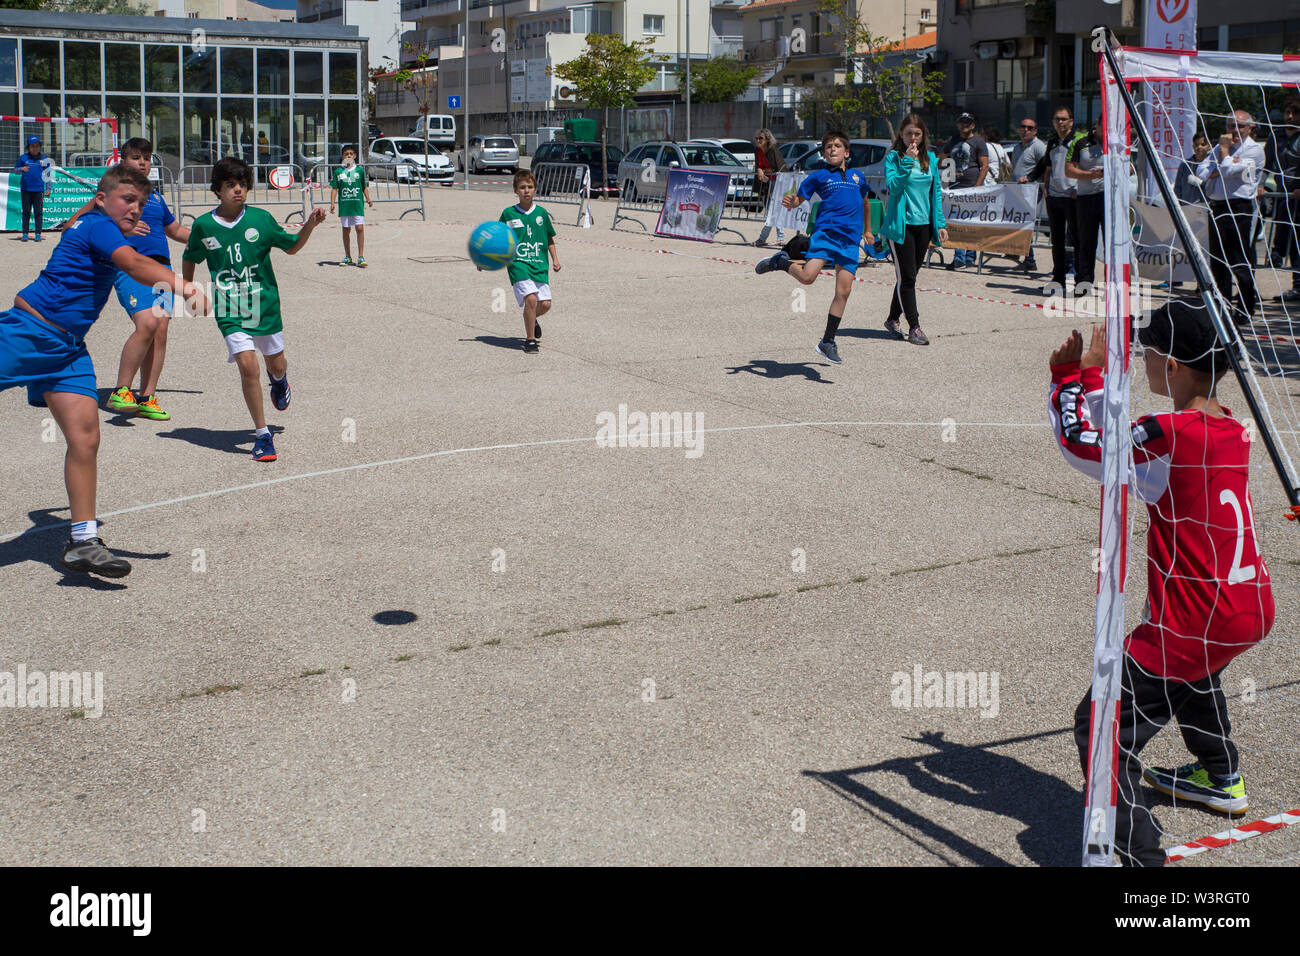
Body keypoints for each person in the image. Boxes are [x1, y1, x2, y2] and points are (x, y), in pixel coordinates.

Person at [1050, 303, 1274, 865]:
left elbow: (1086, 446)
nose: (1142, 359)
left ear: (1171, 365)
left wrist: (1071, 379)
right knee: (1194, 670)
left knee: (1100, 726)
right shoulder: (1231, 428)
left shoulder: (1168, 433)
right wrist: (1099, 378)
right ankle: (1220, 776)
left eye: (1148, 351)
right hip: (1248, 605)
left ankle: (1136, 859)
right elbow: (1134, 449)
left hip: (1197, 616)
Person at [0, 165, 206, 576]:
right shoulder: (96, 225)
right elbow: (132, 264)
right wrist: (184, 286)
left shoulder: (98, 226)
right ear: (101, 199)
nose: (135, 209)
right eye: (127, 200)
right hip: (28, 334)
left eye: (141, 203)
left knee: (86, 438)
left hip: (66, 350)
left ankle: (82, 540)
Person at [182, 156, 326, 462]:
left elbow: (291, 246)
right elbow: (190, 255)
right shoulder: (204, 225)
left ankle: (279, 380)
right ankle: (262, 436)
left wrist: (309, 225)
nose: (238, 190)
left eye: (243, 185)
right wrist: (189, 287)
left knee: (277, 363)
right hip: (231, 309)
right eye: (230, 185)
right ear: (217, 190)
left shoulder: (260, 219)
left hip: (264, 306)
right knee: (248, 367)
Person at [63, 138, 190, 422]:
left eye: (146, 157)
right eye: (136, 157)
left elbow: (176, 230)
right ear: (123, 160)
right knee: (147, 323)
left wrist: (210, 237)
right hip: (130, 268)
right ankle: (121, 390)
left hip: (161, 269)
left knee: (160, 331)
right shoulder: (114, 195)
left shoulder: (155, 198)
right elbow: (75, 226)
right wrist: (122, 233)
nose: (143, 162)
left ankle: (147, 397)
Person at [754, 130, 872, 364]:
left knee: (844, 292)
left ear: (846, 152)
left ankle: (827, 341)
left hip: (849, 240)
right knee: (808, 277)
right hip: (826, 234)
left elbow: (866, 203)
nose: (832, 149)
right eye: (828, 146)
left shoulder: (859, 178)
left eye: (837, 146)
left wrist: (868, 231)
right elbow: (800, 198)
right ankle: (781, 261)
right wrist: (792, 202)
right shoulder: (818, 177)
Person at [880, 114, 948, 346]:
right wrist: (907, 161)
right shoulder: (893, 158)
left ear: (923, 135)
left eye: (917, 134)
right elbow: (893, 188)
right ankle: (915, 327)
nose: (913, 138)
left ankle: (891, 319)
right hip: (901, 226)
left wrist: (940, 224)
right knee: (907, 277)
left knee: (908, 276)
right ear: (901, 134)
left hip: (923, 226)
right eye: (909, 133)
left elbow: (935, 194)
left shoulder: (930, 158)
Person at [1197, 109, 1267, 325]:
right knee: (1218, 262)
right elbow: (1201, 172)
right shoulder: (1220, 147)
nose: (1233, 131)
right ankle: (1222, 308)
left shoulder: (1254, 150)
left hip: (1239, 208)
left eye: (1239, 126)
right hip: (1217, 206)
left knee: (1239, 261)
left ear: (1250, 128)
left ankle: (1246, 309)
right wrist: (1223, 159)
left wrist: (1224, 156)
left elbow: (1229, 172)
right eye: (1230, 126)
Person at [497, 169, 561, 354]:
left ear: (535, 189)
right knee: (531, 299)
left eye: (530, 187)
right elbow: (498, 239)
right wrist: (485, 260)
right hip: (518, 264)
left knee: (545, 304)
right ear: (516, 190)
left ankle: (531, 319)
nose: (526, 190)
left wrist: (555, 259)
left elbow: (549, 238)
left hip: (539, 264)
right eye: (522, 187)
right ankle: (530, 340)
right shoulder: (508, 214)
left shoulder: (541, 213)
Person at [1030, 105, 1086, 294]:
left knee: (1077, 241)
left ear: (1071, 121)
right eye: (1057, 119)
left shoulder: (1079, 141)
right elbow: (1047, 168)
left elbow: (1082, 167)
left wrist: (1078, 189)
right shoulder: (1053, 142)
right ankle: (1058, 280)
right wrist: (1046, 189)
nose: (1060, 122)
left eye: (1063, 119)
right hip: (1054, 197)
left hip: (1072, 197)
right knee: (1057, 242)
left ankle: (1081, 282)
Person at [940, 112, 989, 269]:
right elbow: (942, 159)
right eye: (962, 122)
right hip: (955, 188)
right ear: (958, 125)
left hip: (971, 189)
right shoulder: (952, 140)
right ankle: (959, 257)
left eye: (968, 122)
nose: (965, 125)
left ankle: (969, 258)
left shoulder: (979, 142)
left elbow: (984, 166)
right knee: (956, 223)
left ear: (973, 125)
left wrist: (977, 187)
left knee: (971, 224)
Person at [1064, 119, 1104, 293]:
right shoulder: (1081, 142)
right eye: (1104, 125)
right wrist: (1090, 175)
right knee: (1086, 243)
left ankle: (1114, 285)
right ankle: (1084, 284)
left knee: (1113, 244)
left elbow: (1130, 167)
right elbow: (1068, 170)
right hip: (1086, 197)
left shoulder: (1116, 142)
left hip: (1109, 198)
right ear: (1097, 124)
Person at [1270, 98, 1300, 304]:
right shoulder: (1277, 137)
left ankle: (1298, 286)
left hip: (1297, 195)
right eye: (1287, 112)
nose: (1289, 117)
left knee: (1298, 243)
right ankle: (1277, 254)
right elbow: (1266, 163)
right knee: (1283, 236)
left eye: (1294, 113)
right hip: (1282, 194)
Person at [1011, 118, 1047, 272]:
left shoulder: (1038, 147)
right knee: (1019, 223)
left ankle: (1029, 258)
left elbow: (1046, 168)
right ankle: (1023, 255)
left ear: (1035, 131)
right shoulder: (1017, 147)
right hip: (1017, 191)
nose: (1025, 130)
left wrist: (1045, 188)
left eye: (1029, 127)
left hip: (1032, 191)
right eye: (1023, 126)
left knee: (1026, 224)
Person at [329, 144, 374, 267]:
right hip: (345, 205)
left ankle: (361, 257)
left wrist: (368, 199)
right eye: (346, 154)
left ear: (355, 156)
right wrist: (332, 203)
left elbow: (364, 186)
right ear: (342, 156)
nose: (348, 155)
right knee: (346, 230)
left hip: (357, 205)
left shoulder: (359, 170)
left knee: (359, 228)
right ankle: (348, 256)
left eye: (351, 153)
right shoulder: (338, 171)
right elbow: (334, 188)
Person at [13, 135, 53, 242]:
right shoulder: (23, 158)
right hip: (26, 189)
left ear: (40, 147)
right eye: (32, 146)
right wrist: (22, 168)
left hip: (39, 190)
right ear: (28, 147)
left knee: (38, 213)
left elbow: (48, 175)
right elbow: (15, 170)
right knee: (26, 212)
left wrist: (48, 188)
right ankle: (25, 233)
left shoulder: (44, 159)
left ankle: (38, 234)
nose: (35, 148)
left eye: (37, 146)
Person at [753, 128, 787, 248]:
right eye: (756, 138)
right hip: (767, 184)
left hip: (777, 183)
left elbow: (778, 168)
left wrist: (763, 171)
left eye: (760, 138)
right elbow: (757, 165)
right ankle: (781, 237)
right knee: (772, 211)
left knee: (772, 211)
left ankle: (763, 238)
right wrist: (760, 170)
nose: (758, 140)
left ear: (767, 139)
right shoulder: (757, 151)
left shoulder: (772, 150)